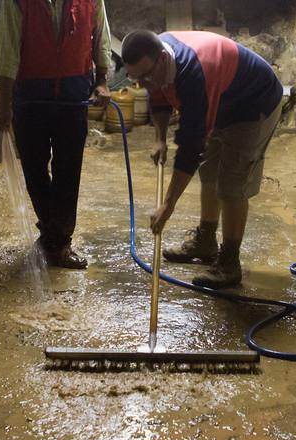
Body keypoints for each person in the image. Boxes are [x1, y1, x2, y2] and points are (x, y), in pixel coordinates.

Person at [120, 29, 284, 290]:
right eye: (135, 77)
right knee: (209, 172)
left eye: (146, 76)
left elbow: (190, 148)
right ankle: (205, 241)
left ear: (162, 59)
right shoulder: (155, 63)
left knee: (231, 183)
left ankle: (230, 263)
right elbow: (159, 97)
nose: (142, 83)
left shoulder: (194, 74)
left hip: (253, 103)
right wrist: (160, 138)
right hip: (221, 100)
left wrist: (168, 205)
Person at [0, 0, 111, 269]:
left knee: (68, 170)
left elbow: (100, 33)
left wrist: (102, 79)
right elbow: (7, 51)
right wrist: (4, 103)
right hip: (30, 94)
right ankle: (53, 231)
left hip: (73, 92)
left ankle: (59, 241)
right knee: (34, 168)